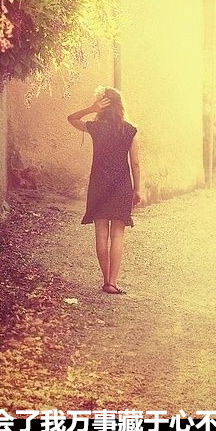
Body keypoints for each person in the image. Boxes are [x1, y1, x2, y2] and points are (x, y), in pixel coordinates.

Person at [67, 86, 141, 294]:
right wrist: (137, 189)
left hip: (98, 185)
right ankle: (112, 283)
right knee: (117, 235)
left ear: (103, 106)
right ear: (120, 106)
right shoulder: (130, 130)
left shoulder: (96, 127)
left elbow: (71, 119)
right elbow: (135, 164)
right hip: (122, 185)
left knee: (101, 234)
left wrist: (91, 109)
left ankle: (105, 279)